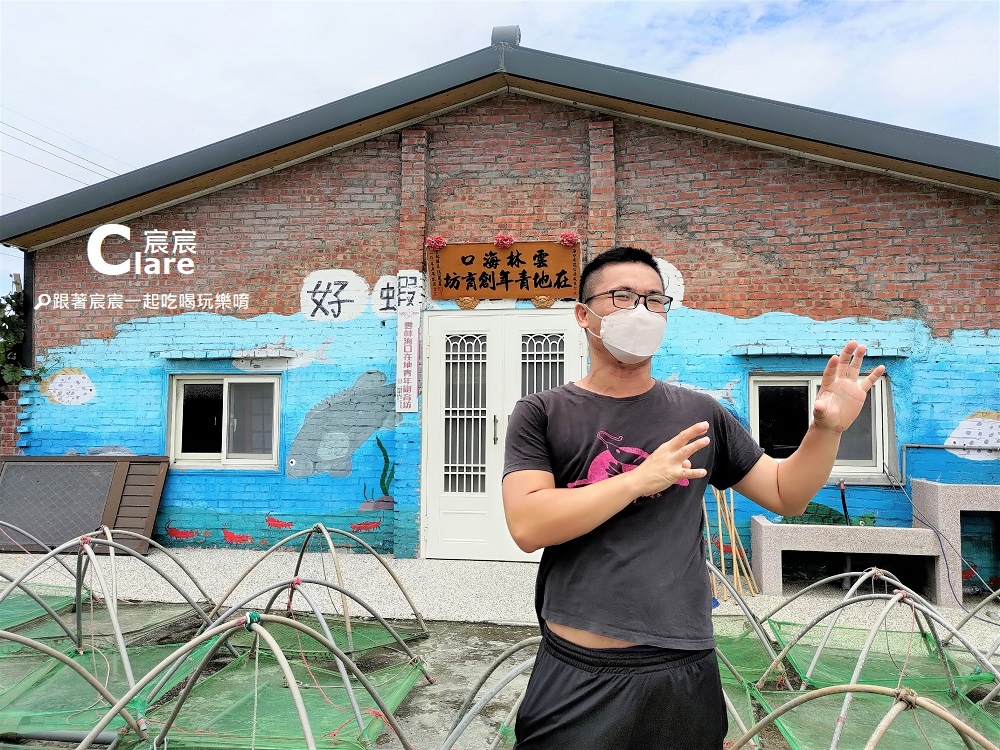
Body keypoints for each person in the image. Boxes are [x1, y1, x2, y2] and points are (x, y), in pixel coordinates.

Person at [502, 246, 886, 749]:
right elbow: (529, 525)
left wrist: (826, 432)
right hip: (578, 665)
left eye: (654, 300)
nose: (640, 311)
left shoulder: (700, 412)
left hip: (682, 663)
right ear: (583, 314)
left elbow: (783, 493)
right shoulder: (542, 412)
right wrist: (639, 479)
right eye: (621, 297)